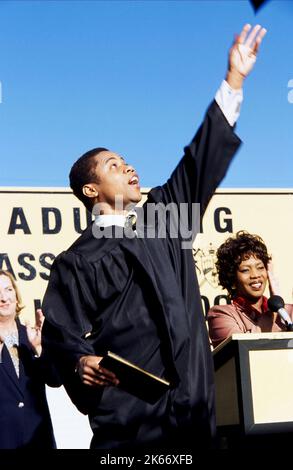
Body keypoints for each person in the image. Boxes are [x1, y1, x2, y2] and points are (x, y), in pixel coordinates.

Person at [42, 24, 266, 450]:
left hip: (195, 414)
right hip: (132, 423)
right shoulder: (77, 260)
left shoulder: (165, 220)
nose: (128, 167)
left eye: (127, 161)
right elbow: (59, 331)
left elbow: (198, 165)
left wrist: (234, 80)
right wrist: (79, 361)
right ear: (91, 190)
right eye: (113, 164)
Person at [0, 270, 60, 449]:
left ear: (17, 297)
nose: (4, 298)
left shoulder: (31, 335)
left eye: (8, 290)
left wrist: (39, 348)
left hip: (38, 440)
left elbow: (55, 380)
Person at [208, 231, 293, 348]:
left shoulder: (288, 313)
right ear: (232, 280)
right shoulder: (220, 315)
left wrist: (278, 305)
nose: (255, 275)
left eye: (260, 268)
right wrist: (273, 313)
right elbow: (241, 349)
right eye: (245, 270)